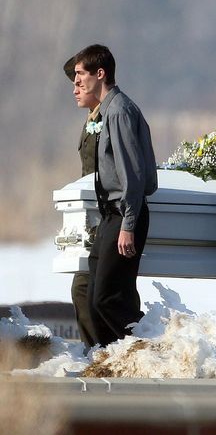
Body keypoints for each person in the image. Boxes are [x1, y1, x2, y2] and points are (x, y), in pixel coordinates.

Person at [73, 44, 157, 346]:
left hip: (123, 214)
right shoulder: (107, 111)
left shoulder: (119, 111)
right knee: (94, 295)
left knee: (108, 297)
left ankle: (147, 349)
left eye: (81, 74)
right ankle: (111, 358)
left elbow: (132, 176)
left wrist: (128, 225)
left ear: (100, 73)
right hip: (112, 215)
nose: (77, 82)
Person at [63, 56, 100, 349]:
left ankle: (104, 351)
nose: (75, 86)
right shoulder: (91, 119)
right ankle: (99, 351)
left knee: (92, 289)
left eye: (80, 77)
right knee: (88, 289)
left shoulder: (112, 115)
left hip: (107, 214)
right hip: (92, 215)